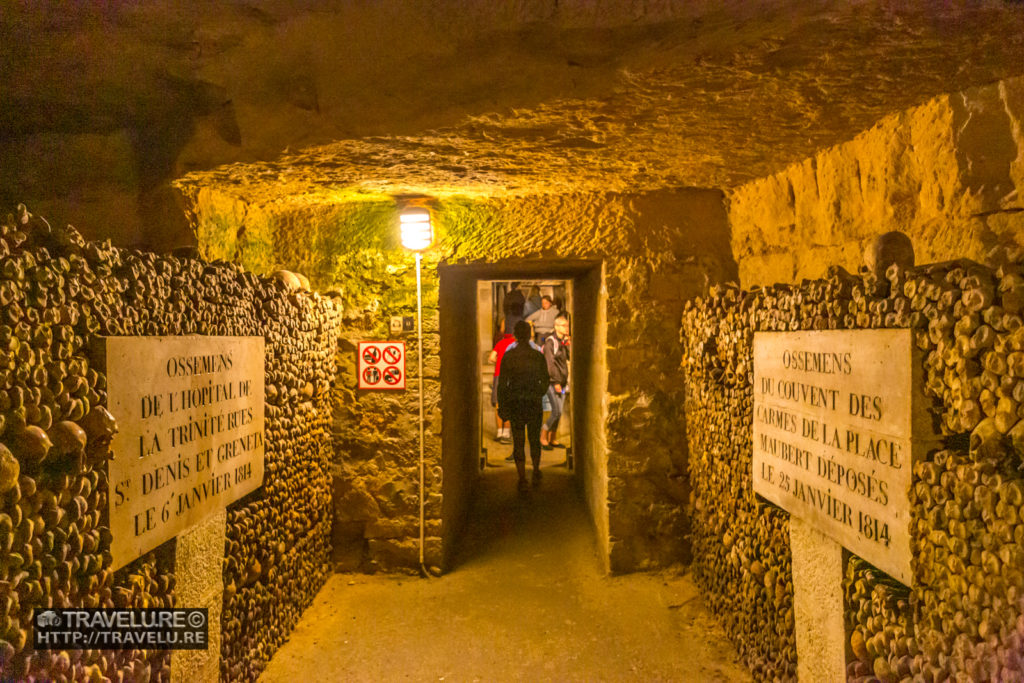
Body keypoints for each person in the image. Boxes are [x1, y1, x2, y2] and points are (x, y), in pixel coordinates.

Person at [497, 320, 549, 492]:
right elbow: (545, 379)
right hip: (533, 402)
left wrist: (503, 406)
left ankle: (521, 477)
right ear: (529, 334)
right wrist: (538, 392)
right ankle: (535, 469)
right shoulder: (537, 356)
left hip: (516, 402)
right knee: (534, 439)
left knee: (518, 441)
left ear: (516, 335)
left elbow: (503, 383)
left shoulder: (509, 357)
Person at [541, 314, 570, 450]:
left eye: (567, 326)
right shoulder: (550, 342)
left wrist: (568, 344)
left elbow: (568, 358)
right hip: (553, 384)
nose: (567, 328)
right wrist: (556, 381)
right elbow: (549, 364)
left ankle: (553, 438)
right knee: (556, 411)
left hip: (563, 383)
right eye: (564, 326)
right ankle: (543, 436)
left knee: (559, 411)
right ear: (556, 326)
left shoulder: (563, 342)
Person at [488, 332, 516, 443]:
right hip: (512, 376)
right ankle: (506, 434)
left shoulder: (501, 342)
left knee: (498, 403)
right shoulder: (517, 344)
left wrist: (500, 360)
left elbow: (491, 358)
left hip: (499, 375)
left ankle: (499, 432)